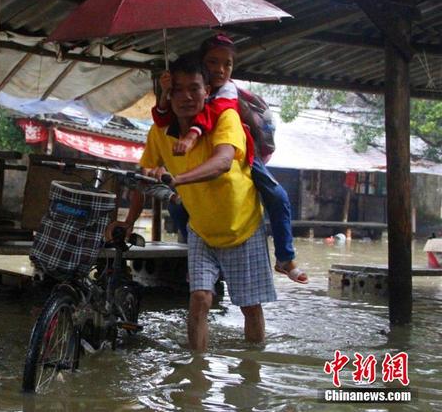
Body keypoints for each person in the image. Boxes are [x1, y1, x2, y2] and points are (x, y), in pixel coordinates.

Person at [108, 55, 276, 351]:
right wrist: (128, 222)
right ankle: (196, 371)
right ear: (168, 95)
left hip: (243, 228)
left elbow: (223, 162)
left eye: (194, 89)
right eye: (179, 90)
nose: (186, 97)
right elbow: (144, 179)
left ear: (207, 91)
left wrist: (177, 179)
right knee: (199, 299)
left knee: (249, 307)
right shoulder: (158, 132)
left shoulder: (226, 118)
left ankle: (253, 369)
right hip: (201, 228)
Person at [152, 34, 308, 284]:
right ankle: (197, 252)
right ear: (201, 63)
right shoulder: (189, 87)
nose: (221, 70)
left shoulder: (226, 90)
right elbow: (162, 121)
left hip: (236, 153)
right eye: (213, 63)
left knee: (278, 196)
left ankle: (284, 257)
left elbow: (214, 114)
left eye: (228, 64)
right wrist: (165, 93)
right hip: (195, 159)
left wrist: (192, 135)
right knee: (177, 206)